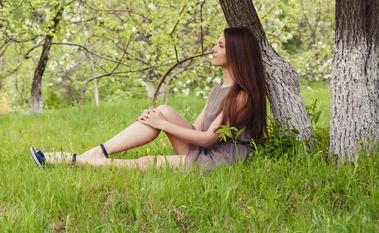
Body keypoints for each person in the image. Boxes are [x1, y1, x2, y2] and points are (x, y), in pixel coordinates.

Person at [29, 27, 268, 171]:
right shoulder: (219, 88)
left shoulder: (241, 96)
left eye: (220, 45)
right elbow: (196, 129)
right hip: (206, 150)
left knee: (147, 162)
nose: (213, 49)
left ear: (235, 53)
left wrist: (162, 126)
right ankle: (99, 151)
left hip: (219, 160)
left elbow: (206, 139)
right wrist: (159, 119)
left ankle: (72, 161)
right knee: (162, 109)